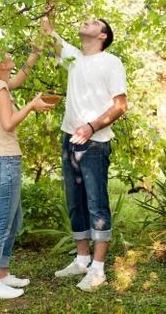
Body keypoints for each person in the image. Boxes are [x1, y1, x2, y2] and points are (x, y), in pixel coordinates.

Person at [41, 17, 127, 291]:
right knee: (75, 202)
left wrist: (91, 127)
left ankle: (98, 270)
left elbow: (120, 106)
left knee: (96, 204)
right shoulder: (74, 57)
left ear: (102, 35)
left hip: (95, 142)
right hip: (70, 139)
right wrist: (50, 1)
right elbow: (49, 33)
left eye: (94, 22)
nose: (86, 22)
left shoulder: (111, 62)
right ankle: (81, 259)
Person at [0, 44, 54, 299]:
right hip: (4, 162)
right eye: (1, 54)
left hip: (1, 161)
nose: (7, 54)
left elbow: (18, 78)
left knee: (13, 221)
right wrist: (31, 106)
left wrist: (36, 52)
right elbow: (8, 123)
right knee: (2, 224)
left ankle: (2, 273)